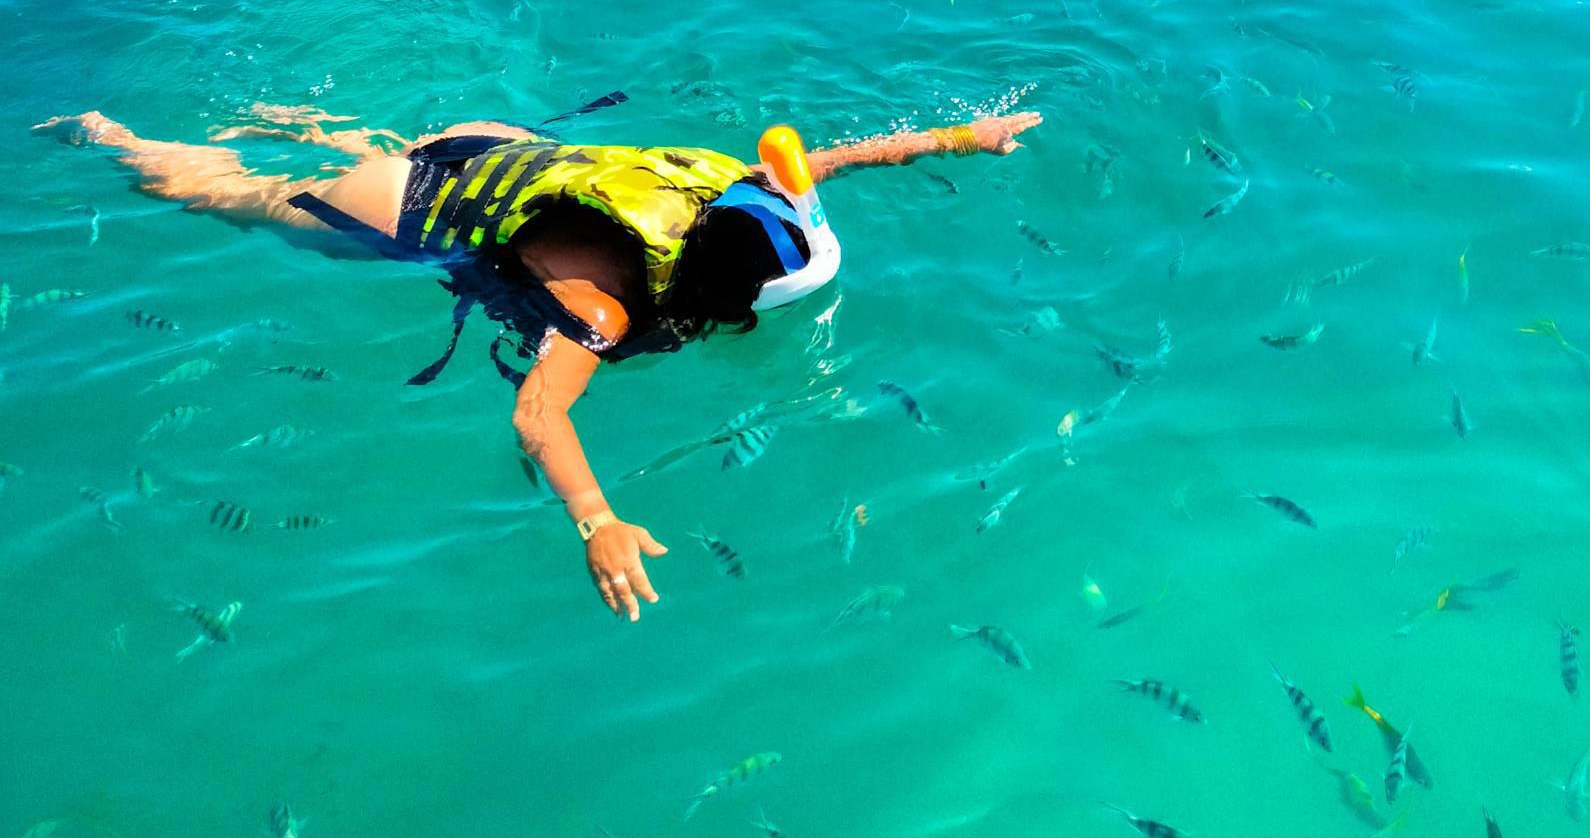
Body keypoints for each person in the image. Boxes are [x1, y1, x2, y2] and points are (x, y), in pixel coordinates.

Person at [62, 100, 1039, 618]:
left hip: (494, 141)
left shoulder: (730, 192)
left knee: (343, 154)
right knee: (230, 196)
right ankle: (106, 132)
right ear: (735, 307)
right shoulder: (604, 304)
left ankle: (306, 123)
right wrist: (598, 521)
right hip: (408, 206)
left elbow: (822, 163)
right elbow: (538, 414)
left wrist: (959, 137)